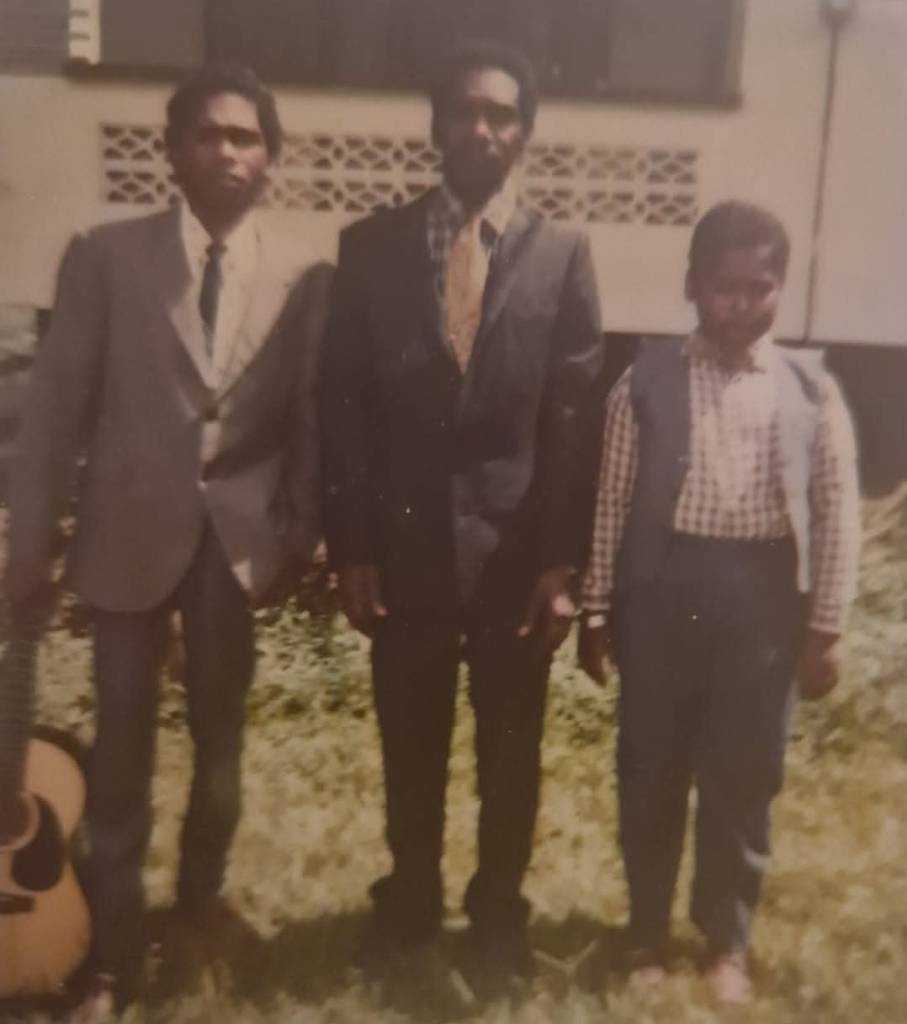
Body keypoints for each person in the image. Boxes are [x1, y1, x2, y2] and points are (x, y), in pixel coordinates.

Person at [4, 63, 331, 1018]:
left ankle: (196, 906)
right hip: (125, 541)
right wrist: (31, 543)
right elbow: (54, 413)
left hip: (235, 549)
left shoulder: (307, 276)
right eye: (207, 135)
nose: (227, 152)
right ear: (173, 152)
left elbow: (310, 419)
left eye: (246, 137)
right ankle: (109, 955)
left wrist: (296, 534)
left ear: (270, 158)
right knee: (120, 750)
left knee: (221, 748)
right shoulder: (108, 257)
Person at [320, 40, 603, 991]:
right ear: (437, 126)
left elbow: (573, 419)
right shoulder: (370, 248)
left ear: (524, 134)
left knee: (511, 753)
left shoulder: (563, 255)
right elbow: (343, 408)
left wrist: (562, 561)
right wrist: (353, 546)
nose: (481, 129)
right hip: (403, 553)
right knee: (410, 744)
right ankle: (409, 904)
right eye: (465, 112)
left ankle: (497, 921)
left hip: (514, 560)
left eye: (501, 115)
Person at [578, 200, 861, 1005]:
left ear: (781, 290)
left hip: (762, 602)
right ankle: (645, 932)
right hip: (663, 593)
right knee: (651, 766)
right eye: (723, 286)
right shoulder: (644, 383)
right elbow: (612, 503)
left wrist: (826, 626)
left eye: (759, 288)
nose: (740, 304)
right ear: (692, 286)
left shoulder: (810, 391)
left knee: (744, 771)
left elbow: (836, 511)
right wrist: (597, 610)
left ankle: (726, 939)